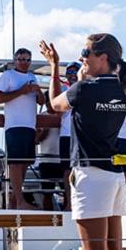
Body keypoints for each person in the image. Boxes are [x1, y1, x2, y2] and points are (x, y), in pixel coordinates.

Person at [41, 33, 126, 250]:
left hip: (91, 178)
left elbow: (54, 105)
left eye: (85, 53)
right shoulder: (122, 91)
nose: (81, 58)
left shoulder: (86, 88)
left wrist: (54, 68)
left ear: (103, 57)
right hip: (113, 176)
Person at [0, 48, 45, 209]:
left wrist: (38, 92)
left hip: (29, 125)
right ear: (15, 60)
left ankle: (17, 200)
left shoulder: (32, 77)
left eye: (27, 59)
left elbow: (41, 101)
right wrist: (22, 91)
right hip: (14, 124)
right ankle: (20, 199)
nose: (24, 62)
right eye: (21, 59)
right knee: (15, 163)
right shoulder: (7, 76)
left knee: (24, 163)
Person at [59, 61, 81, 210]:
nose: (72, 75)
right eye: (69, 72)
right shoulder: (62, 89)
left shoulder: (86, 88)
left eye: (75, 72)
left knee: (81, 169)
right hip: (66, 133)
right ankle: (68, 203)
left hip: (80, 134)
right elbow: (54, 108)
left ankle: (79, 202)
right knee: (67, 170)